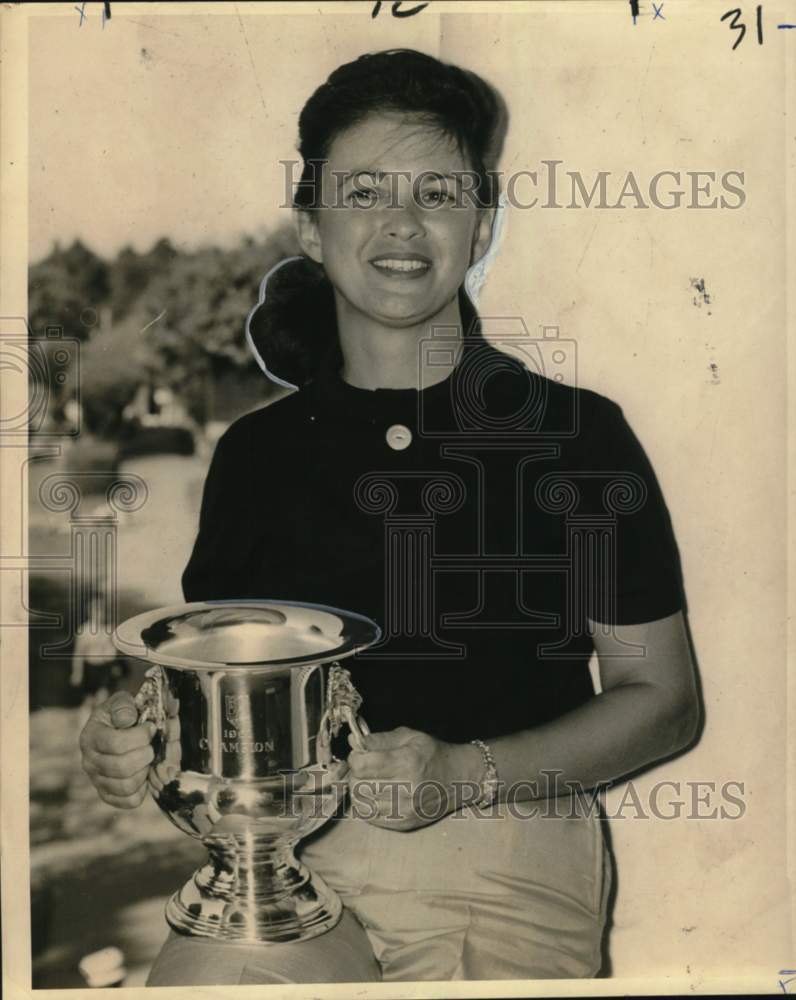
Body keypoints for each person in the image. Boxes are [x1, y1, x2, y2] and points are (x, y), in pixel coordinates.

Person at [78, 48, 699, 984]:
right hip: (280, 861)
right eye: (364, 189)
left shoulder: (576, 437)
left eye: (438, 193)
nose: (401, 223)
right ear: (313, 225)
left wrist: (464, 774)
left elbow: (666, 703)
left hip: (503, 856)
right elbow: (215, 694)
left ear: (481, 226)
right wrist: (132, 735)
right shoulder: (254, 455)